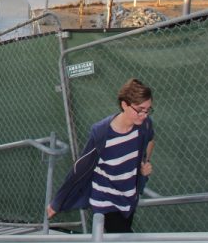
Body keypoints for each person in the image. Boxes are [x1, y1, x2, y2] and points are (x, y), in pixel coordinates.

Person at [46, 78, 156, 234]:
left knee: (115, 242)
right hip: (105, 199)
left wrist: (144, 163)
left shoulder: (144, 125)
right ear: (124, 105)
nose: (144, 114)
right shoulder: (102, 132)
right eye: (140, 109)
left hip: (128, 197)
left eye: (148, 109)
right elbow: (81, 168)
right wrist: (58, 202)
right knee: (125, 239)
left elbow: (151, 139)